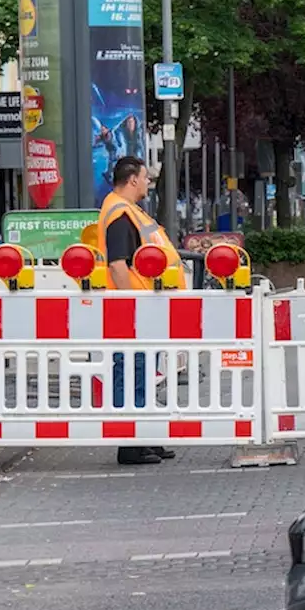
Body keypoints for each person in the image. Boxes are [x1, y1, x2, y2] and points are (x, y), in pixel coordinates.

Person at [100, 156, 184, 465]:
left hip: (144, 305)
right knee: (133, 370)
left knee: (146, 372)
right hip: (133, 309)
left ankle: (145, 436)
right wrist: (132, 304)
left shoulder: (128, 212)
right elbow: (118, 265)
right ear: (132, 179)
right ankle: (131, 443)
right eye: (146, 178)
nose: (148, 183)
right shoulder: (120, 214)